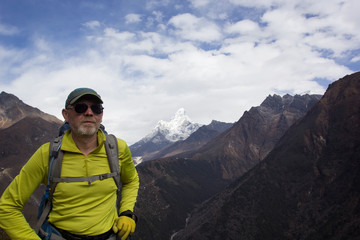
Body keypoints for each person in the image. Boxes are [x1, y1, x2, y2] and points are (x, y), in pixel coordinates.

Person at [0, 88, 139, 240]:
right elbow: (7, 207)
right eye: (80, 107)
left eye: (96, 108)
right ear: (66, 115)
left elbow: (131, 180)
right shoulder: (47, 154)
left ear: (101, 114)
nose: (89, 112)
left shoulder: (118, 149)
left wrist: (126, 212)